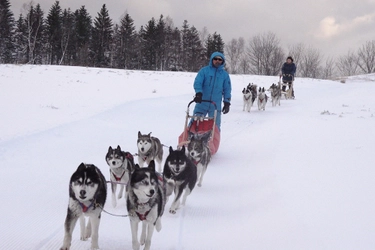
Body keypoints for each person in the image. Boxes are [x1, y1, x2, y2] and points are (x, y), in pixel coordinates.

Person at [192, 51, 232, 130]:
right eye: (215, 59)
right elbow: (198, 82)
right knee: (195, 121)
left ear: (222, 61)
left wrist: (227, 102)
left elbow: (227, 89)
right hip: (202, 101)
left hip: (215, 104)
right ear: (212, 60)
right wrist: (198, 93)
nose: (217, 61)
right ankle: (189, 138)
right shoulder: (204, 71)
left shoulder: (224, 75)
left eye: (220, 60)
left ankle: (212, 140)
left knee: (215, 125)